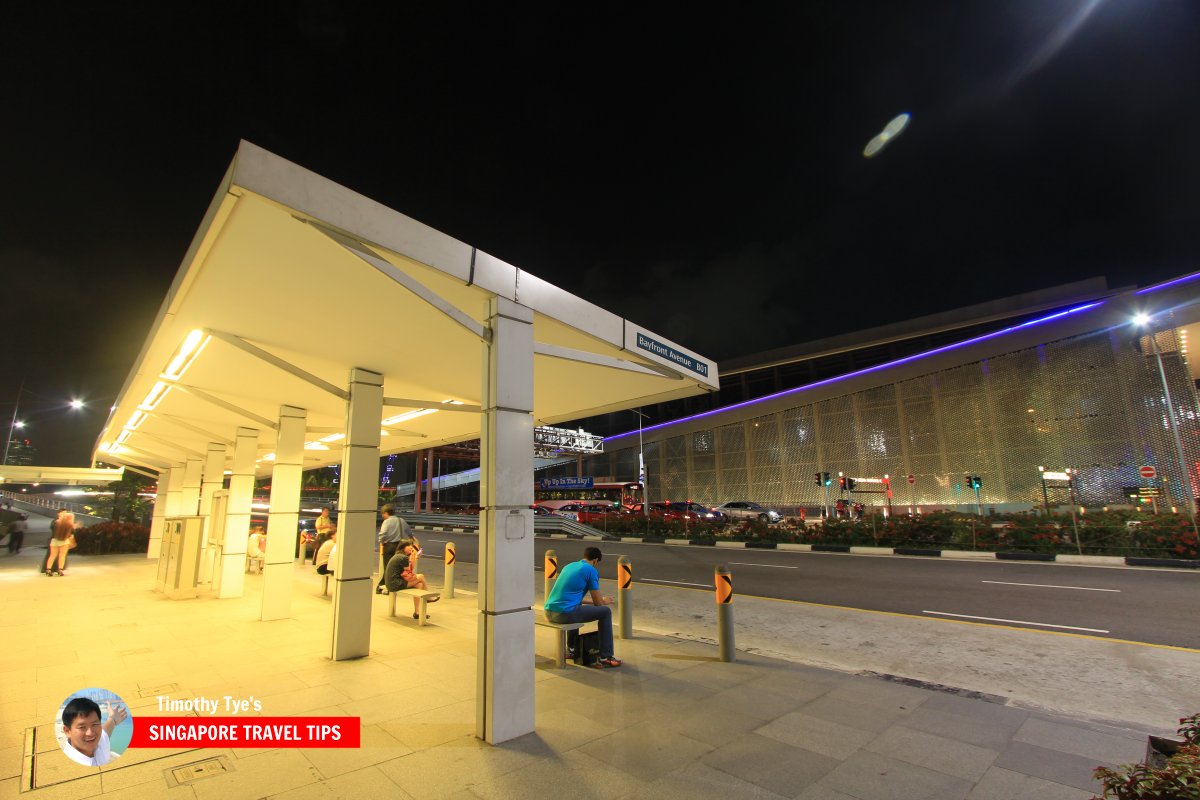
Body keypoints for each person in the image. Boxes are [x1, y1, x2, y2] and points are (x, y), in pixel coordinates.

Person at [544, 546, 621, 668]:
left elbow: (573, 598)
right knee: (605, 612)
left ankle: (572, 649)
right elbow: (598, 602)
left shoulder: (569, 566)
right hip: (564, 614)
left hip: (549, 612)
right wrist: (604, 601)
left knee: (576, 606)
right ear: (595, 560)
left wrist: (593, 601)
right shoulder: (591, 570)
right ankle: (605, 656)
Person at [60, 697, 128, 767]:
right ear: (67, 731)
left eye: (95, 724)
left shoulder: (100, 742)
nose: (90, 733)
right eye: (82, 727)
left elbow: (106, 729)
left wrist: (113, 718)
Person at [384, 540, 438, 618]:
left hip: (391, 582)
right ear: (403, 547)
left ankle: (417, 612)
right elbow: (409, 573)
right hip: (395, 584)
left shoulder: (399, 555)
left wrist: (415, 558)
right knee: (421, 576)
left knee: (419, 585)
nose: (411, 547)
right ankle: (427, 597)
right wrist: (415, 559)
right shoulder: (403, 558)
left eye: (411, 546)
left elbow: (407, 571)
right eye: (408, 546)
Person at [376, 504, 413, 594]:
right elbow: (409, 532)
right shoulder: (401, 521)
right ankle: (391, 586)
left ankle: (385, 587)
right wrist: (411, 540)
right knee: (398, 568)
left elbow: (383, 534)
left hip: (389, 546)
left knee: (388, 568)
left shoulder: (387, 522)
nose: (382, 516)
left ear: (386, 513)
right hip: (400, 547)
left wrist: (381, 541)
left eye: (382, 514)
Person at [45, 511, 78, 576]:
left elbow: (52, 530)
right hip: (64, 541)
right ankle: (60, 570)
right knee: (62, 556)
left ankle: (48, 570)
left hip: (54, 540)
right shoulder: (70, 524)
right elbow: (71, 533)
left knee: (52, 556)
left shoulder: (56, 523)